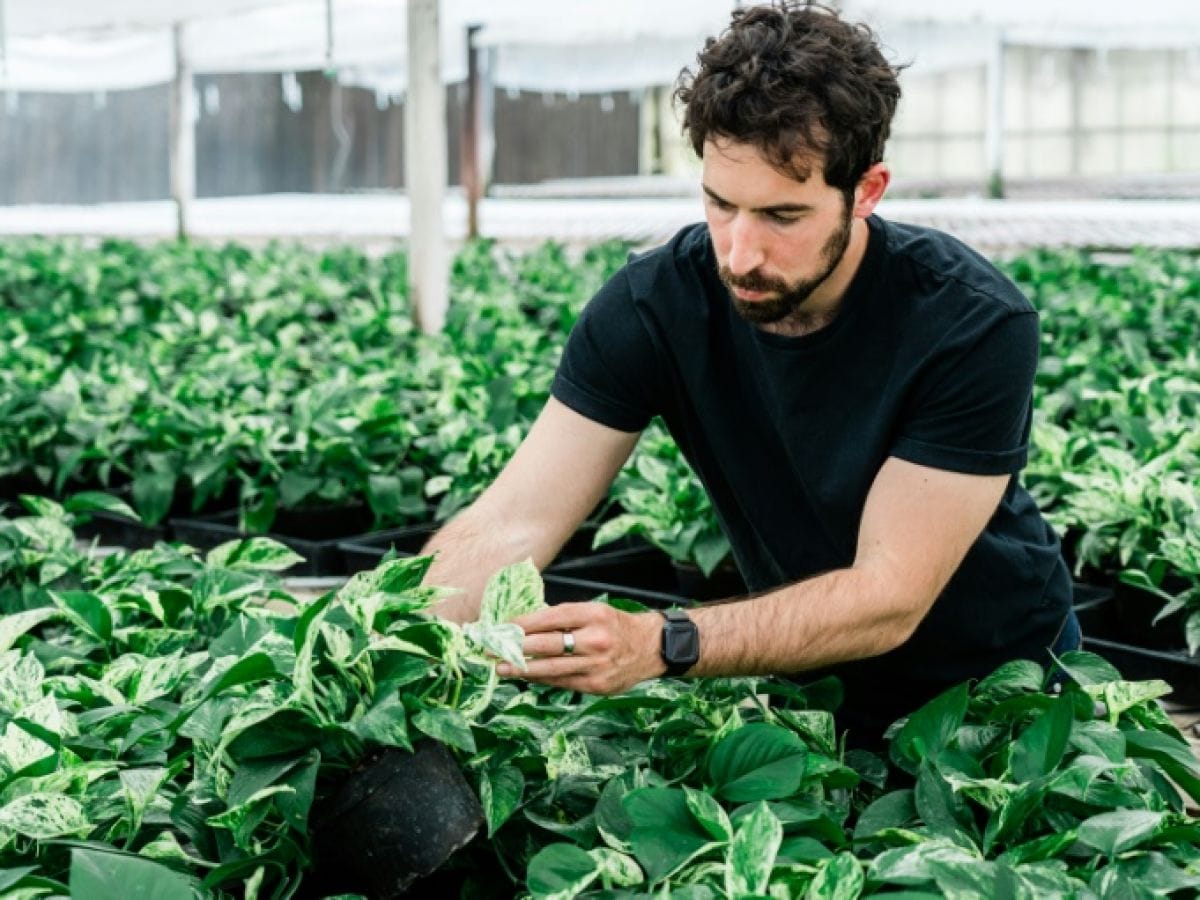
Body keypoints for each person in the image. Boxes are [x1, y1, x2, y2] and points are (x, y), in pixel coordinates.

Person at [424, 0, 1079, 747]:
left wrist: (660, 643)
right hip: (812, 692)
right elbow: (513, 520)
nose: (738, 253)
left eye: (782, 216)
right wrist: (388, 637)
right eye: (719, 204)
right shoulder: (651, 307)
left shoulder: (971, 322)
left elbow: (888, 595)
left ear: (865, 191)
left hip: (999, 695)